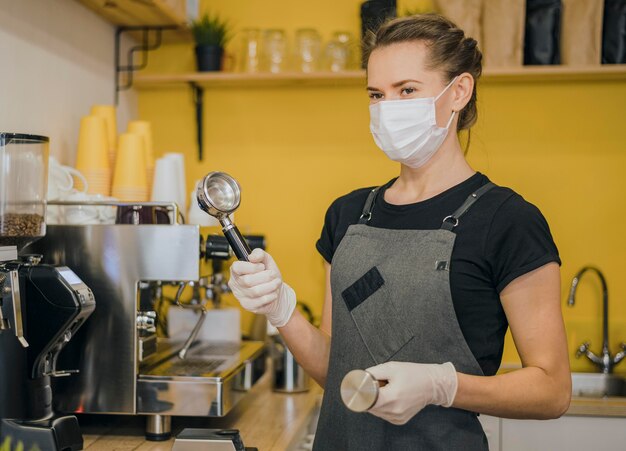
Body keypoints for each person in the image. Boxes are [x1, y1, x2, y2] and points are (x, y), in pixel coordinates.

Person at [228, 14, 571, 450]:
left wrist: (441, 386)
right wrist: (281, 310)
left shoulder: (507, 221)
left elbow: (553, 390)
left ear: (458, 92)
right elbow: (340, 371)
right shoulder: (348, 215)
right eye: (376, 94)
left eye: (407, 90)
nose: (388, 108)